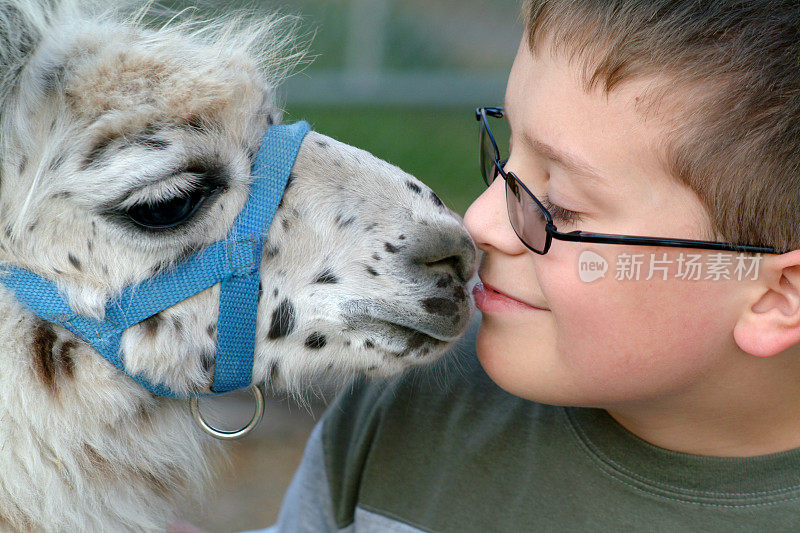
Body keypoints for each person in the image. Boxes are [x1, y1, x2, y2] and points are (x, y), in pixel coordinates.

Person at [256, 1, 800, 530]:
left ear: (777, 297)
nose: (480, 221)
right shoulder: (409, 404)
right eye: (506, 151)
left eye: (561, 205)